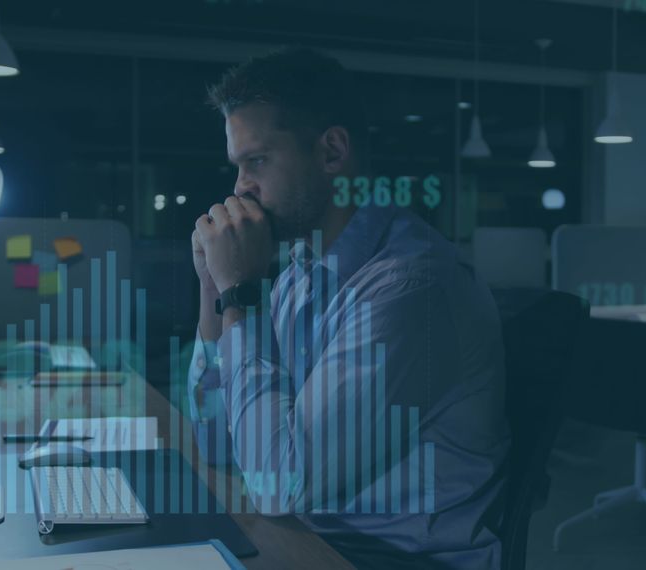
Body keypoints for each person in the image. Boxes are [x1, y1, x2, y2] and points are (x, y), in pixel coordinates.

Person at [188, 48, 510, 569]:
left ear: (332, 151)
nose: (240, 187)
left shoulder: (410, 286)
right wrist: (213, 286)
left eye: (258, 161)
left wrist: (239, 295)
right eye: (238, 166)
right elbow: (218, 444)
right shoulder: (298, 273)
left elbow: (275, 485)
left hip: (396, 559)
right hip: (318, 535)